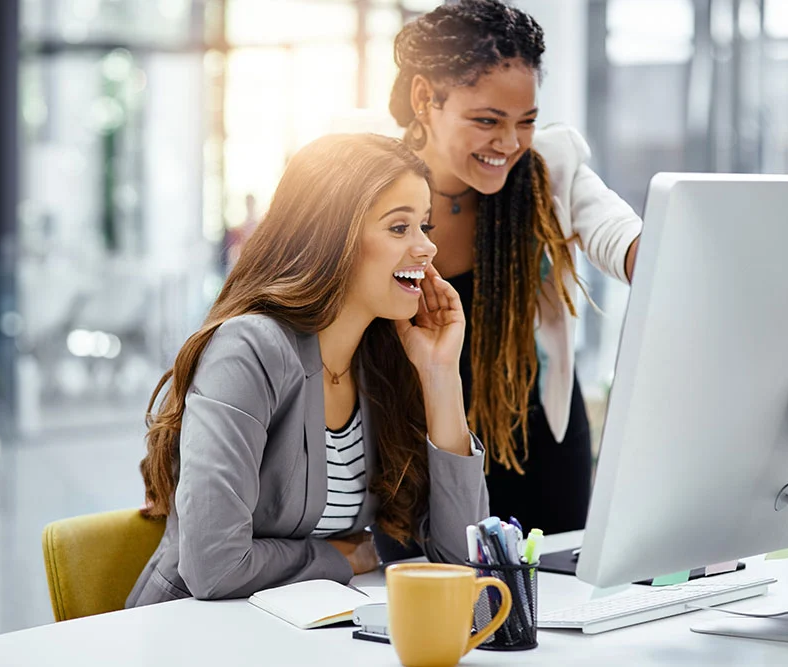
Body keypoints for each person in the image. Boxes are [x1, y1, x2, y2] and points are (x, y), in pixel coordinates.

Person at [126, 134, 489, 605]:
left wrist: (442, 375)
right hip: (194, 635)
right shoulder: (250, 349)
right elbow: (213, 568)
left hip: (299, 633)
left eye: (425, 225)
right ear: (331, 235)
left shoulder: (381, 363)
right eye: (400, 228)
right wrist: (337, 559)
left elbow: (463, 564)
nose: (427, 249)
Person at [389, 0, 643, 534]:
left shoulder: (547, 171)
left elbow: (625, 239)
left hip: (539, 443)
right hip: (422, 448)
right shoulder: (375, 188)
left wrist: (670, 260)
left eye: (525, 121)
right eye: (487, 121)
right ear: (424, 98)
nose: (509, 144)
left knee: (555, 607)